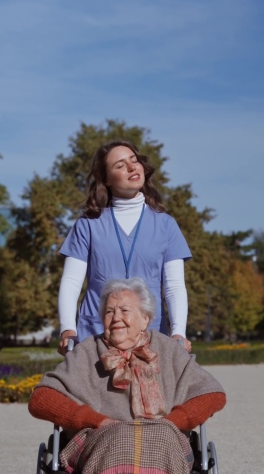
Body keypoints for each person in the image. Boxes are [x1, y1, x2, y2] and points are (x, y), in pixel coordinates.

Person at [29, 277, 226, 474]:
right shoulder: (85, 353)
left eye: (124, 310)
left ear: (146, 318)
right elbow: (42, 398)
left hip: (164, 439)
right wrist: (91, 419)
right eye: (108, 311)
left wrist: (176, 421)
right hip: (100, 440)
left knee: (154, 439)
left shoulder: (168, 351)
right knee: (123, 440)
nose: (115, 318)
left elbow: (212, 393)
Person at [57, 140, 191, 354]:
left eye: (134, 160)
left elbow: (174, 286)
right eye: (119, 165)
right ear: (107, 179)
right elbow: (71, 282)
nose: (131, 167)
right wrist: (67, 330)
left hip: (150, 334)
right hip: (97, 334)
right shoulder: (88, 225)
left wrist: (178, 332)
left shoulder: (166, 225)